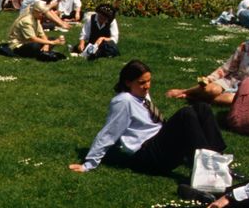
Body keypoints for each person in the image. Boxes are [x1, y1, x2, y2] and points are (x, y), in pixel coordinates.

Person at [68, 60, 226, 176]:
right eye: (142, 82)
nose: (147, 86)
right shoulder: (124, 101)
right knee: (186, 114)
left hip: (158, 143)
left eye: (149, 81)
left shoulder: (140, 93)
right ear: (128, 82)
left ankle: (218, 163)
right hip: (146, 156)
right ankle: (208, 169)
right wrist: (89, 164)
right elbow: (109, 133)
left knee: (202, 108)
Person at [166, 16, 249, 106]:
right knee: (211, 90)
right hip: (235, 80)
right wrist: (209, 79)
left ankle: (197, 98)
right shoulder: (245, 47)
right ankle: (185, 91)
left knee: (233, 100)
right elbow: (226, 67)